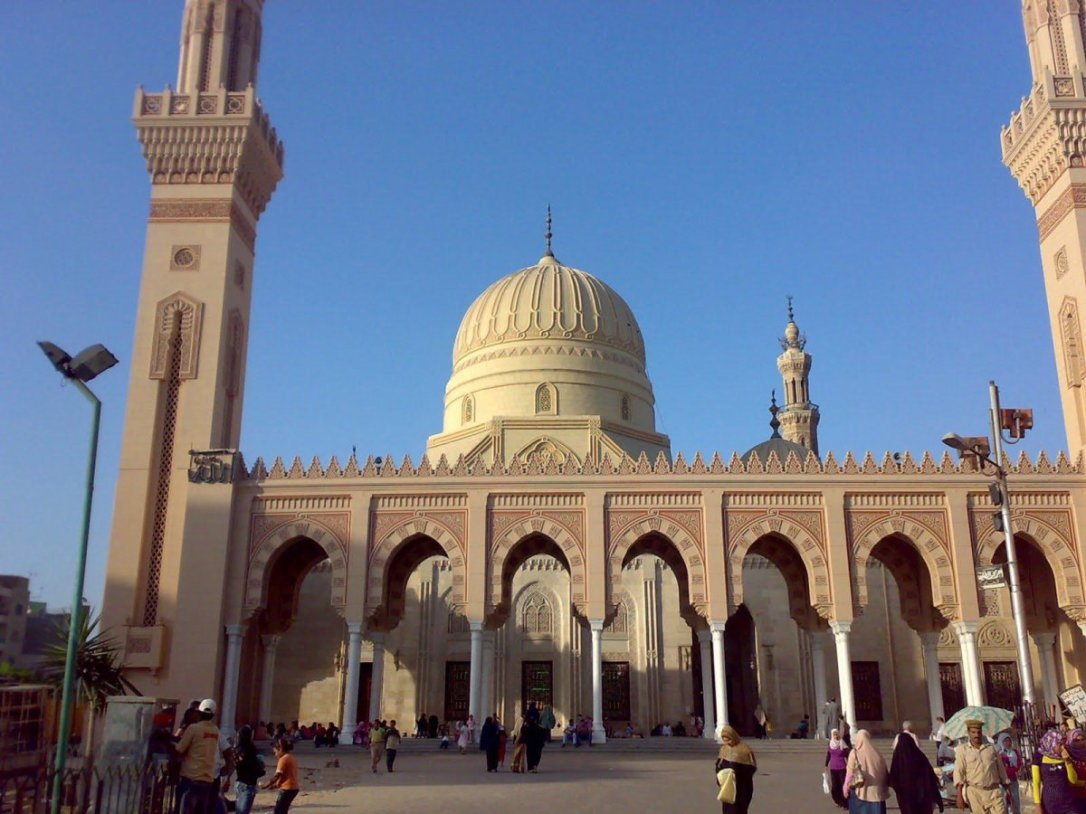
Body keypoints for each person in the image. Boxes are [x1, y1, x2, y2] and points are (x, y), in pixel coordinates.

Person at [175, 698, 231, 814]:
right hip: (207, 780)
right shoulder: (215, 731)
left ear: (199, 713)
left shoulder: (193, 729)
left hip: (190, 779)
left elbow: (179, 749)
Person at [954, 719, 1010, 814]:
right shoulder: (962, 750)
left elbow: (1001, 770)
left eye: (979, 732)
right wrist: (959, 796)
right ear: (968, 733)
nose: (976, 735)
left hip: (994, 791)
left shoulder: (991, 748)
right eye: (973, 732)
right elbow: (959, 772)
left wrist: (1007, 790)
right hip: (975, 792)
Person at [889, 727, 943, 814]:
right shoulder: (920, 756)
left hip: (906, 798)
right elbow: (930, 778)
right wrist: (938, 799)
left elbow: (892, 779)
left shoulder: (897, 759)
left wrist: (900, 789)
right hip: (923, 797)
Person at [1031, 728, 1080, 814]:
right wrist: (1038, 806)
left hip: (1067, 804)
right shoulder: (1038, 757)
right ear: (1052, 743)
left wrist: (1067, 762)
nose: (1063, 747)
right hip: (1049, 805)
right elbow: (1036, 782)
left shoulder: (1065, 756)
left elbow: (1073, 780)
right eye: (1059, 744)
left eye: (1063, 744)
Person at [845, 729, 889, 814]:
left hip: (860, 791)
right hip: (876, 793)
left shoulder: (854, 753)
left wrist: (845, 788)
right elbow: (884, 772)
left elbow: (849, 774)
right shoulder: (877, 752)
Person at [715, 724, 757, 814]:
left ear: (733, 736)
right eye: (724, 741)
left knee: (738, 810)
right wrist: (721, 776)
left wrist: (736, 774)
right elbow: (718, 765)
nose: (728, 743)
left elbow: (751, 767)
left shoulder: (744, 749)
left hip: (741, 788)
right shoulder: (724, 749)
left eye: (729, 740)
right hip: (728, 789)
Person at [262, 737, 299, 814]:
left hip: (287, 789)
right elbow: (286, 775)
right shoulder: (290, 757)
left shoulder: (283, 759)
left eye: (275, 752)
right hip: (294, 788)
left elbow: (277, 776)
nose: (275, 755)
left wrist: (265, 785)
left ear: (280, 749)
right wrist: (276, 785)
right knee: (283, 810)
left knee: (278, 811)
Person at [233, 724, 265, 814]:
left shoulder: (238, 750)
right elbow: (254, 767)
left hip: (239, 783)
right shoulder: (250, 749)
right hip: (248, 784)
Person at [996, 733, 1022, 814]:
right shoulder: (998, 754)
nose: (1008, 743)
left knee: (1015, 801)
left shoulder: (1014, 752)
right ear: (1001, 742)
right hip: (1002, 782)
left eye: (1009, 740)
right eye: (1005, 741)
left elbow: (1018, 764)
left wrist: (1013, 768)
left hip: (1013, 780)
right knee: (1004, 802)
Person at [826, 728, 851, 810]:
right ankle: (838, 800)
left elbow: (848, 755)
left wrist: (851, 764)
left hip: (842, 768)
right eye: (834, 734)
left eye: (836, 733)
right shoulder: (830, 744)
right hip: (833, 768)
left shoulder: (842, 743)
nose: (835, 735)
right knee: (835, 787)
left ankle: (845, 803)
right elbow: (828, 755)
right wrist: (825, 765)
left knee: (843, 785)